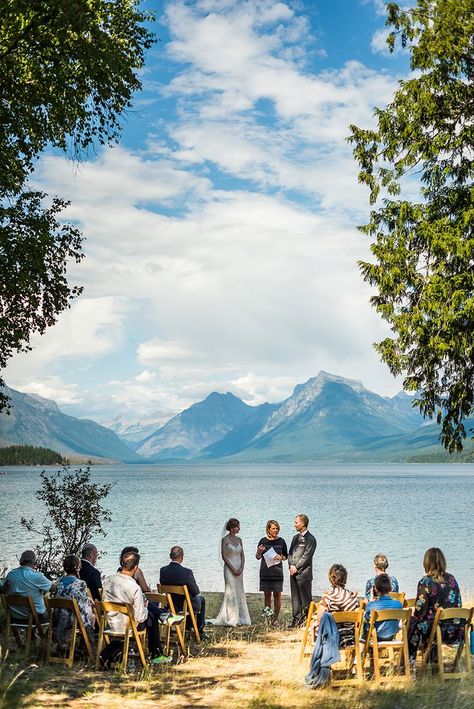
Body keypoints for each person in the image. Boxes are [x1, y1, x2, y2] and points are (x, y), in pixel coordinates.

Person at [103, 550, 169, 664]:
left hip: (111, 622)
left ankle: (163, 615)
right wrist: (145, 607)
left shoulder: (108, 580)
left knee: (150, 614)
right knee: (151, 617)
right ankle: (156, 654)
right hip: (127, 625)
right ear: (136, 568)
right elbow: (140, 617)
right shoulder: (134, 587)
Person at [408, 547, 462, 661]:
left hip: (438, 631)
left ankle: (408, 663)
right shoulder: (452, 579)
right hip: (456, 630)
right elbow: (459, 604)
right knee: (428, 622)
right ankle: (432, 659)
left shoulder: (425, 582)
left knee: (413, 624)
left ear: (426, 563)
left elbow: (420, 611)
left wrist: (413, 614)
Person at [209, 518, 251, 626]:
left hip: (239, 569)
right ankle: (232, 617)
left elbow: (242, 555)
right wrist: (232, 568)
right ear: (232, 528)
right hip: (229, 568)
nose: (239, 528)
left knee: (239, 590)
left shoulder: (240, 540)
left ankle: (242, 617)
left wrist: (241, 567)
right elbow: (224, 556)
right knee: (231, 591)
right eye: (237, 527)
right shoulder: (225, 540)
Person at [160, 546, 206, 634]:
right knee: (200, 599)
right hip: (184, 605)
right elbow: (195, 591)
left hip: (170, 604)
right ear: (182, 557)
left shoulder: (163, 570)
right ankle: (199, 630)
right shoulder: (187, 572)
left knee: (189, 599)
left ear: (170, 556)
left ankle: (188, 626)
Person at [312, 563, 359, 647]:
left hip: (331, 637)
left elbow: (319, 619)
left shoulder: (328, 597)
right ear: (345, 578)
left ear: (331, 578)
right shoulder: (352, 596)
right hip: (350, 636)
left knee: (315, 624)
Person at [54, 554, 94, 648]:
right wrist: (89, 602)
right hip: (71, 620)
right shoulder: (80, 584)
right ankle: (87, 647)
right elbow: (82, 605)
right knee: (91, 617)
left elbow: (68, 595)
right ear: (78, 567)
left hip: (58, 618)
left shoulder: (59, 582)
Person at [3, 549, 56, 622]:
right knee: (54, 612)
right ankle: (47, 633)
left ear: (21, 561)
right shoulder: (36, 576)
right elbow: (53, 588)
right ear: (34, 562)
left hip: (14, 617)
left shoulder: (11, 575)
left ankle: (32, 633)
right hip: (35, 618)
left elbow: (4, 589)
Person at [255, 519, 288, 624]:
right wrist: (259, 551)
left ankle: (276, 619)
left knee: (277, 595)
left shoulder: (281, 541)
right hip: (265, 571)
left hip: (277, 571)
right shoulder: (263, 541)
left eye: (277, 528)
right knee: (267, 595)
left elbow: (286, 556)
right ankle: (268, 617)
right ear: (268, 529)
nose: (276, 530)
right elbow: (257, 557)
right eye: (273, 528)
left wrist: (281, 557)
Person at [288, 513, 317, 627]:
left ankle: (307, 621)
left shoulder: (311, 539)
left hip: (304, 573)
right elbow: (290, 553)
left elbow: (307, 555)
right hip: (293, 572)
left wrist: (297, 567)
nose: (294, 525)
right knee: (295, 598)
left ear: (303, 523)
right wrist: (290, 565)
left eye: (296, 522)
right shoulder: (295, 538)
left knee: (305, 599)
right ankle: (296, 619)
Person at [363, 573, 403, 642]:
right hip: (392, 634)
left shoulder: (371, 605)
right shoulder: (398, 604)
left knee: (364, 621)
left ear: (376, 590)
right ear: (390, 588)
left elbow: (367, 619)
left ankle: (364, 644)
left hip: (377, 635)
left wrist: (371, 600)